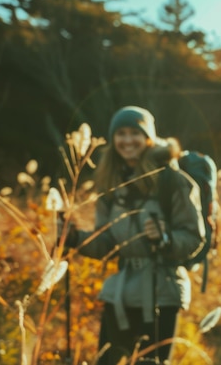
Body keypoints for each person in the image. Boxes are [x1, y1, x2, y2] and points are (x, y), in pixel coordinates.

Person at [64, 106, 204, 364]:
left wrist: (165, 238)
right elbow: (107, 243)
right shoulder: (110, 183)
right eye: (121, 134)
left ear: (149, 138)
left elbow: (194, 237)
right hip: (122, 291)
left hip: (162, 293)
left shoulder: (172, 181)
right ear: (113, 138)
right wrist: (74, 239)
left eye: (135, 133)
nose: (127, 140)